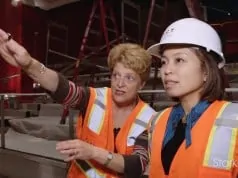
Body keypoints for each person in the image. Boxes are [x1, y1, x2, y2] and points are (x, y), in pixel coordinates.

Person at [0, 30, 156, 178]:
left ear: (141, 84)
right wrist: (29, 64)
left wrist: (93, 152)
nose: (120, 83)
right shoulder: (94, 97)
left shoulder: (150, 118)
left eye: (129, 78)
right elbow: (62, 88)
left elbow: (137, 164)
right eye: (116, 75)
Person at [145, 17, 238, 178]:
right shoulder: (157, 121)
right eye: (164, 62)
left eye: (179, 60)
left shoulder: (234, 122)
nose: (167, 70)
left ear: (206, 70)